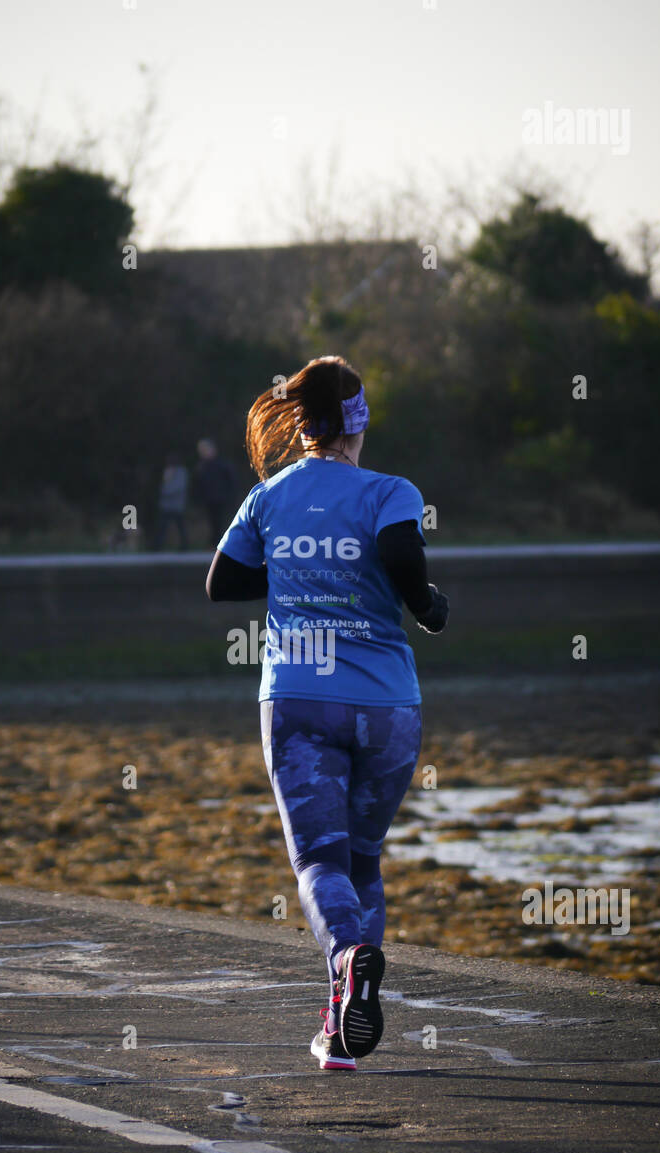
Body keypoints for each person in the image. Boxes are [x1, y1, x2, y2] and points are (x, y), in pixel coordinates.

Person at [206, 355, 448, 1071]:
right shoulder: (391, 492)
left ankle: (347, 960)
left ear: (303, 424)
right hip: (388, 708)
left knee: (319, 860)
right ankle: (343, 1031)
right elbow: (404, 559)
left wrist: (289, 567)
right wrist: (429, 609)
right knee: (362, 860)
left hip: (300, 700)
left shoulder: (270, 496)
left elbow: (222, 584)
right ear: (359, 423)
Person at [195, 439, 239, 546]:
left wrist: (230, 496)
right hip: (209, 499)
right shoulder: (202, 466)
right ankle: (214, 544)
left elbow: (232, 481)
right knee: (212, 523)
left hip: (222, 499)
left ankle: (225, 544)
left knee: (222, 522)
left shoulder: (222, 464)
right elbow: (199, 484)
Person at [152, 452, 189, 550]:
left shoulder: (181, 472)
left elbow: (178, 487)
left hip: (177, 505)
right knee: (162, 527)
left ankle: (184, 546)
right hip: (166, 505)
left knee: (180, 527)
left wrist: (164, 491)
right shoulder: (167, 472)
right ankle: (157, 546)